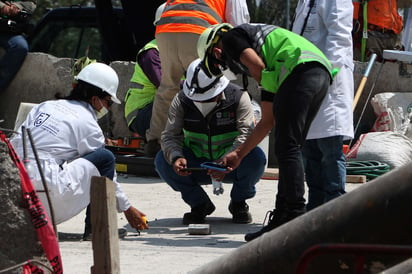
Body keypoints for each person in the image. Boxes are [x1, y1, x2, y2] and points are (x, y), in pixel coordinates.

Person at [197, 23, 336, 241]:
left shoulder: (231, 38)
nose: (228, 67)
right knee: (289, 146)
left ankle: (294, 216)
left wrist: (272, 94)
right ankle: (282, 217)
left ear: (216, 52)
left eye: (220, 65)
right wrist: (239, 154)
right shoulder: (271, 67)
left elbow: (257, 66)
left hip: (299, 70)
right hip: (318, 73)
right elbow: (266, 122)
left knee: (287, 146)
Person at [10, 62, 149, 240]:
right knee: (105, 158)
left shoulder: (44, 106)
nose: (106, 108)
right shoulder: (89, 124)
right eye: (107, 102)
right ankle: (98, 229)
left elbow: (15, 143)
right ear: (94, 99)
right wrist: (127, 208)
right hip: (45, 196)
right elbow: (107, 175)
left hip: (14, 190)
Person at [155, 58, 266, 225]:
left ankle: (239, 203)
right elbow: (170, 136)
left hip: (232, 163)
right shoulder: (182, 100)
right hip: (197, 163)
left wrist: (230, 157)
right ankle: (200, 204)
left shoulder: (238, 97)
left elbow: (247, 133)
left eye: (208, 97)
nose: (202, 102)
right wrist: (177, 157)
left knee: (256, 159)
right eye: (198, 98)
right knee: (162, 161)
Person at [144, 0, 250, 157]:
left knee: (167, 87)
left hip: (165, 28)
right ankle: (213, 145)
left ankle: (156, 143)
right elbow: (239, 22)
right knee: (209, 84)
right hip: (198, 30)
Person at [291, 1, 354, 211]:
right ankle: (315, 210)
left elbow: (339, 37)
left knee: (330, 152)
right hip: (307, 80)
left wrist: (327, 71)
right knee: (310, 152)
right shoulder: (304, 2)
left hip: (329, 81)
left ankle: (335, 211)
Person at [124, 4, 164, 138]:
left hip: (158, 109)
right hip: (141, 113)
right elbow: (166, 86)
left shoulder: (178, 51)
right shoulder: (152, 53)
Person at [0, 0, 36, 91]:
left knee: (20, 47)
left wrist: (17, 6)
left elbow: (32, 3)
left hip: (7, 29)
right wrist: (2, 7)